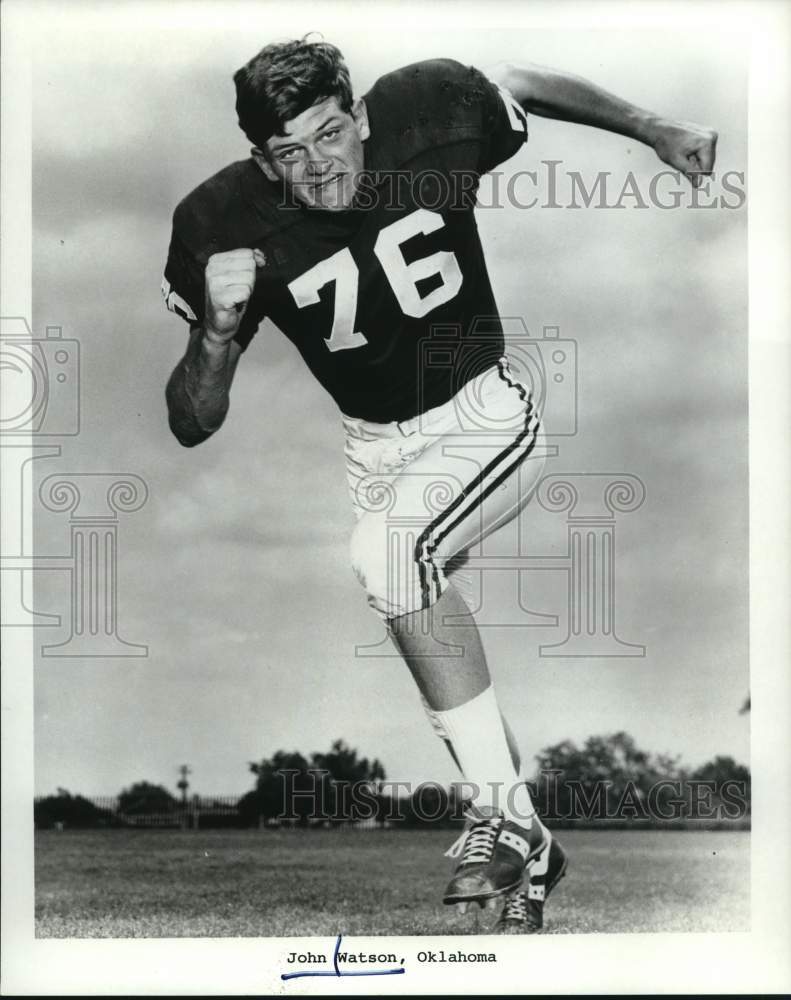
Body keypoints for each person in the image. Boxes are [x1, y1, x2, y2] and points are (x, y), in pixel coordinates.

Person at [163, 37, 716, 933]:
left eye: (330, 133)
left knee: (386, 555)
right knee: (407, 589)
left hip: (484, 414)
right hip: (372, 450)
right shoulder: (219, 219)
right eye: (288, 154)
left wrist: (651, 128)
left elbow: (525, 82)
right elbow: (192, 421)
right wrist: (218, 335)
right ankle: (530, 848)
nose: (318, 167)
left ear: (361, 114)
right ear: (258, 159)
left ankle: (498, 819)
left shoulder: (426, 111)